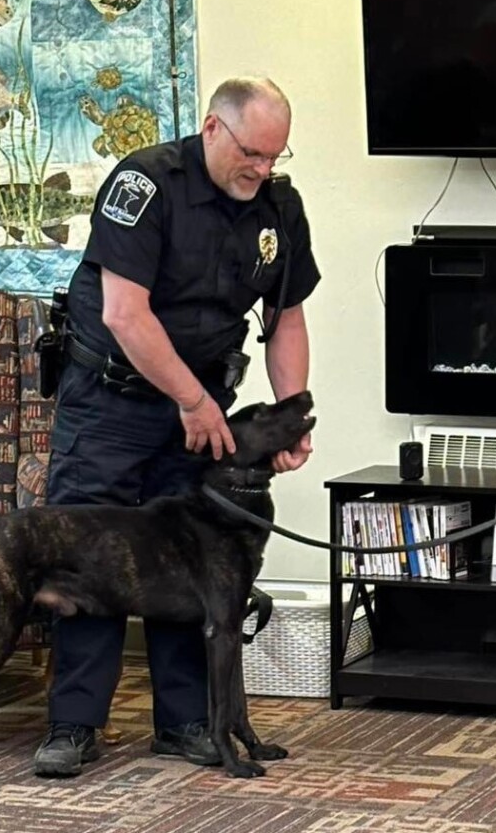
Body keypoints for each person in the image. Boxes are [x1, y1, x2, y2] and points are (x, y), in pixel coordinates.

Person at [33, 77, 320, 778]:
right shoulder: (146, 184)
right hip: (112, 399)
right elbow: (126, 314)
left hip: (201, 408)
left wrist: (295, 417)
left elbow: (286, 321)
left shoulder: (279, 207)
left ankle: (187, 722)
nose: (263, 169)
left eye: (276, 157)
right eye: (252, 153)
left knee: (192, 560)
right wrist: (193, 402)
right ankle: (75, 725)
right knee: (91, 552)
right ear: (213, 130)